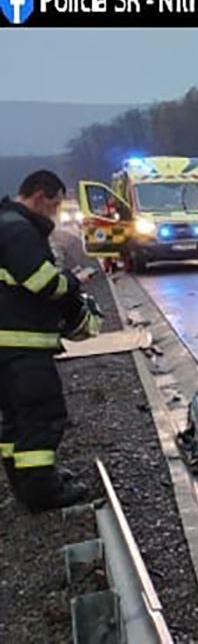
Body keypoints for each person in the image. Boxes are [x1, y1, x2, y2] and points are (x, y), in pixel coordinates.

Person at [0, 170, 102, 512]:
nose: (56, 214)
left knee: (16, 418)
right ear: (40, 195)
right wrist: (72, 284)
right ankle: (43, 493)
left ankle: (27, 485)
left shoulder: (8, 223)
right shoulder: (17, 229)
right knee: (41, 416)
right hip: (21, 346)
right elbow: (44, 283)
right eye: (56, 205)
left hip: (9, 346)